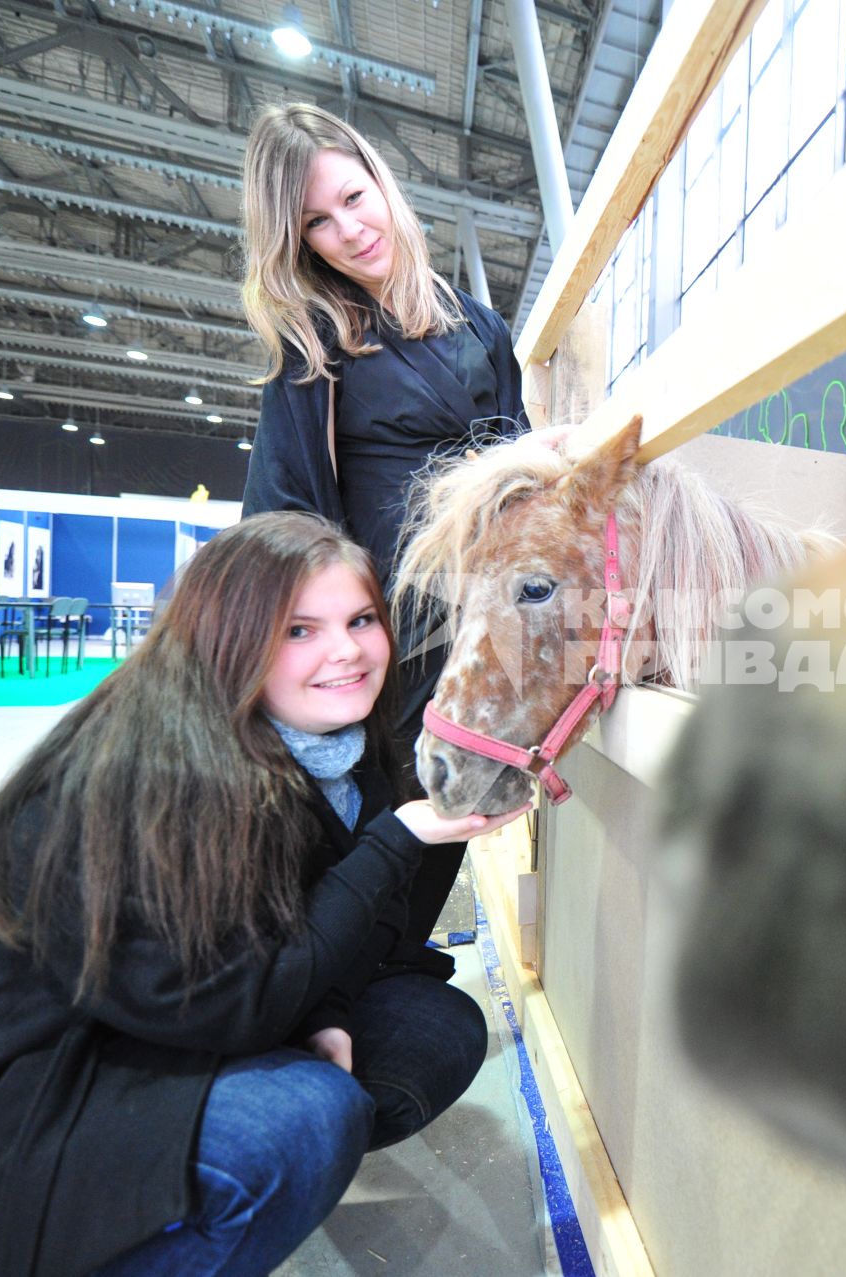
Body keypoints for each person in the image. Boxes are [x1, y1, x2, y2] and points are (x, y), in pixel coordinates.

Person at [0, 512, 530, 1277]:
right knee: (304, 1120)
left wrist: (328, 1011)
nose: (348, 651)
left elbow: (314, 929)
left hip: (156, 1028)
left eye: (361, 619)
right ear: (226, 637)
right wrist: (395, 842)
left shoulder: (336, 754)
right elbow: (235, 997)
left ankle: (176, 1216)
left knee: (429, 1026)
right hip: (0, 1111)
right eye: (299, 629)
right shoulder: (147, 778)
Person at [239, 102, 529, 947]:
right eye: (316, 224)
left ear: (383, 182)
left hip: (479, 633)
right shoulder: (317, 341)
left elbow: (519, 486)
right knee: (365, 838)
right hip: (385, 639)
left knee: (450, 822)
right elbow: (284, 507)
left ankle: (383, 982)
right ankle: (333, 991)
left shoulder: (481, 327)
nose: (348, 231)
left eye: (354, 198)